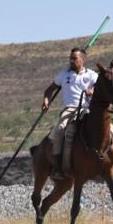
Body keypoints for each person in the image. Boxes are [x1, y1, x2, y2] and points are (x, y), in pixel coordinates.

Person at [41, 46, 98, 179]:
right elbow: (49, 90)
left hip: (87, 109)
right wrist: (46, 101)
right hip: (69, 109)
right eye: (70, 58)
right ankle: (57, 165)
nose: (71, 61)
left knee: (108, 129)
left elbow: (100, 88)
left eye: (74, 58)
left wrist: (93, 91)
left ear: (83, 59)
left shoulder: (92, 75)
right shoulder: (63, 75)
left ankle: (110, 162)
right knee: (60, 130)